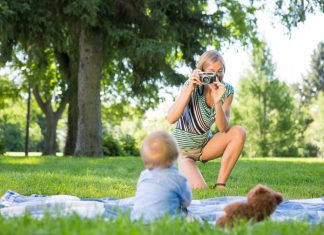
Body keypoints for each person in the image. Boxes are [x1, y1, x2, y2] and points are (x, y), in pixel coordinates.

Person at [167, 50, 246, 189]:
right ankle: (176, 175)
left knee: (239, 132)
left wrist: (217, 101)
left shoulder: (226, 91)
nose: (216, 76)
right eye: (211, 71)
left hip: (205, 146)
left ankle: (220, 185)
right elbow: (171, 118)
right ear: (201, 71)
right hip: (183, 151)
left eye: (220, 71)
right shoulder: (191, 85)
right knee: (200, 189)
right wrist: (189, 89)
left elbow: (223, 129)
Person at [131, 131, 192, 222]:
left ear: (146, 161)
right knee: (191, 218)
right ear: (175, 156)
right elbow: (187, 202)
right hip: (167, 222)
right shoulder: (178, 178)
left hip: (138, 220)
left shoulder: (144, 175)